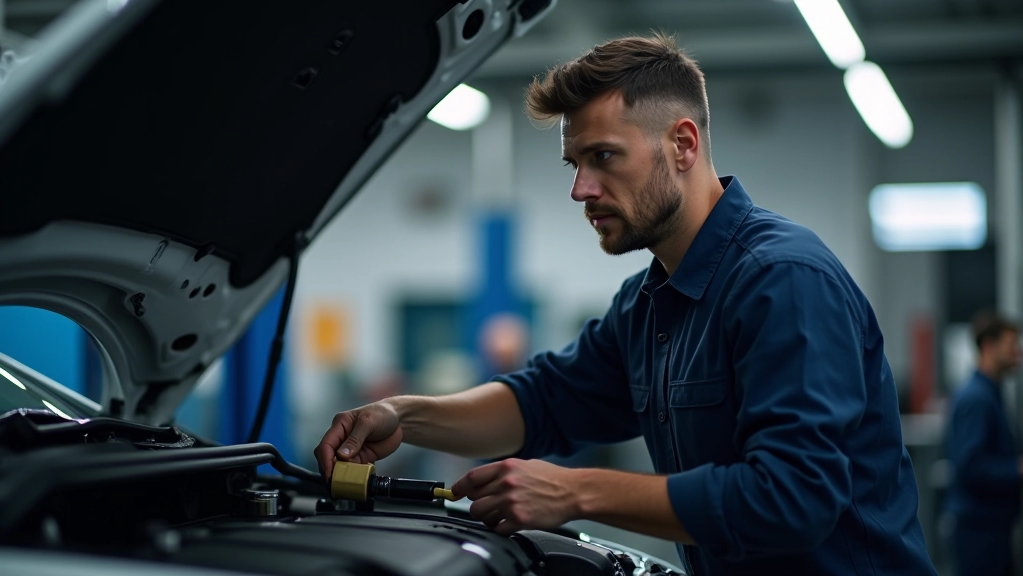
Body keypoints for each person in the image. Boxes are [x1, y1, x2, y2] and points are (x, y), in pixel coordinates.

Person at [315, 33, 936, 575]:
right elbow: (545, 400)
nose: (580, 188)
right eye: (574, 162)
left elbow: (794, 498)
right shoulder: (646, 306)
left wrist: (576, 492)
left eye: (603, 157)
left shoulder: (783, 281)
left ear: (683, 145)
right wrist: (405, 414)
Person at [945, 311, 1023, 576]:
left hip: (994, 527)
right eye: (1011, 345)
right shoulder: (976, 399)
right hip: (978, 530)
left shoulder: (992, 394)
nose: (1018, 352)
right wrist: (1018, 469)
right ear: (989, 346)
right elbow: (970, 467)